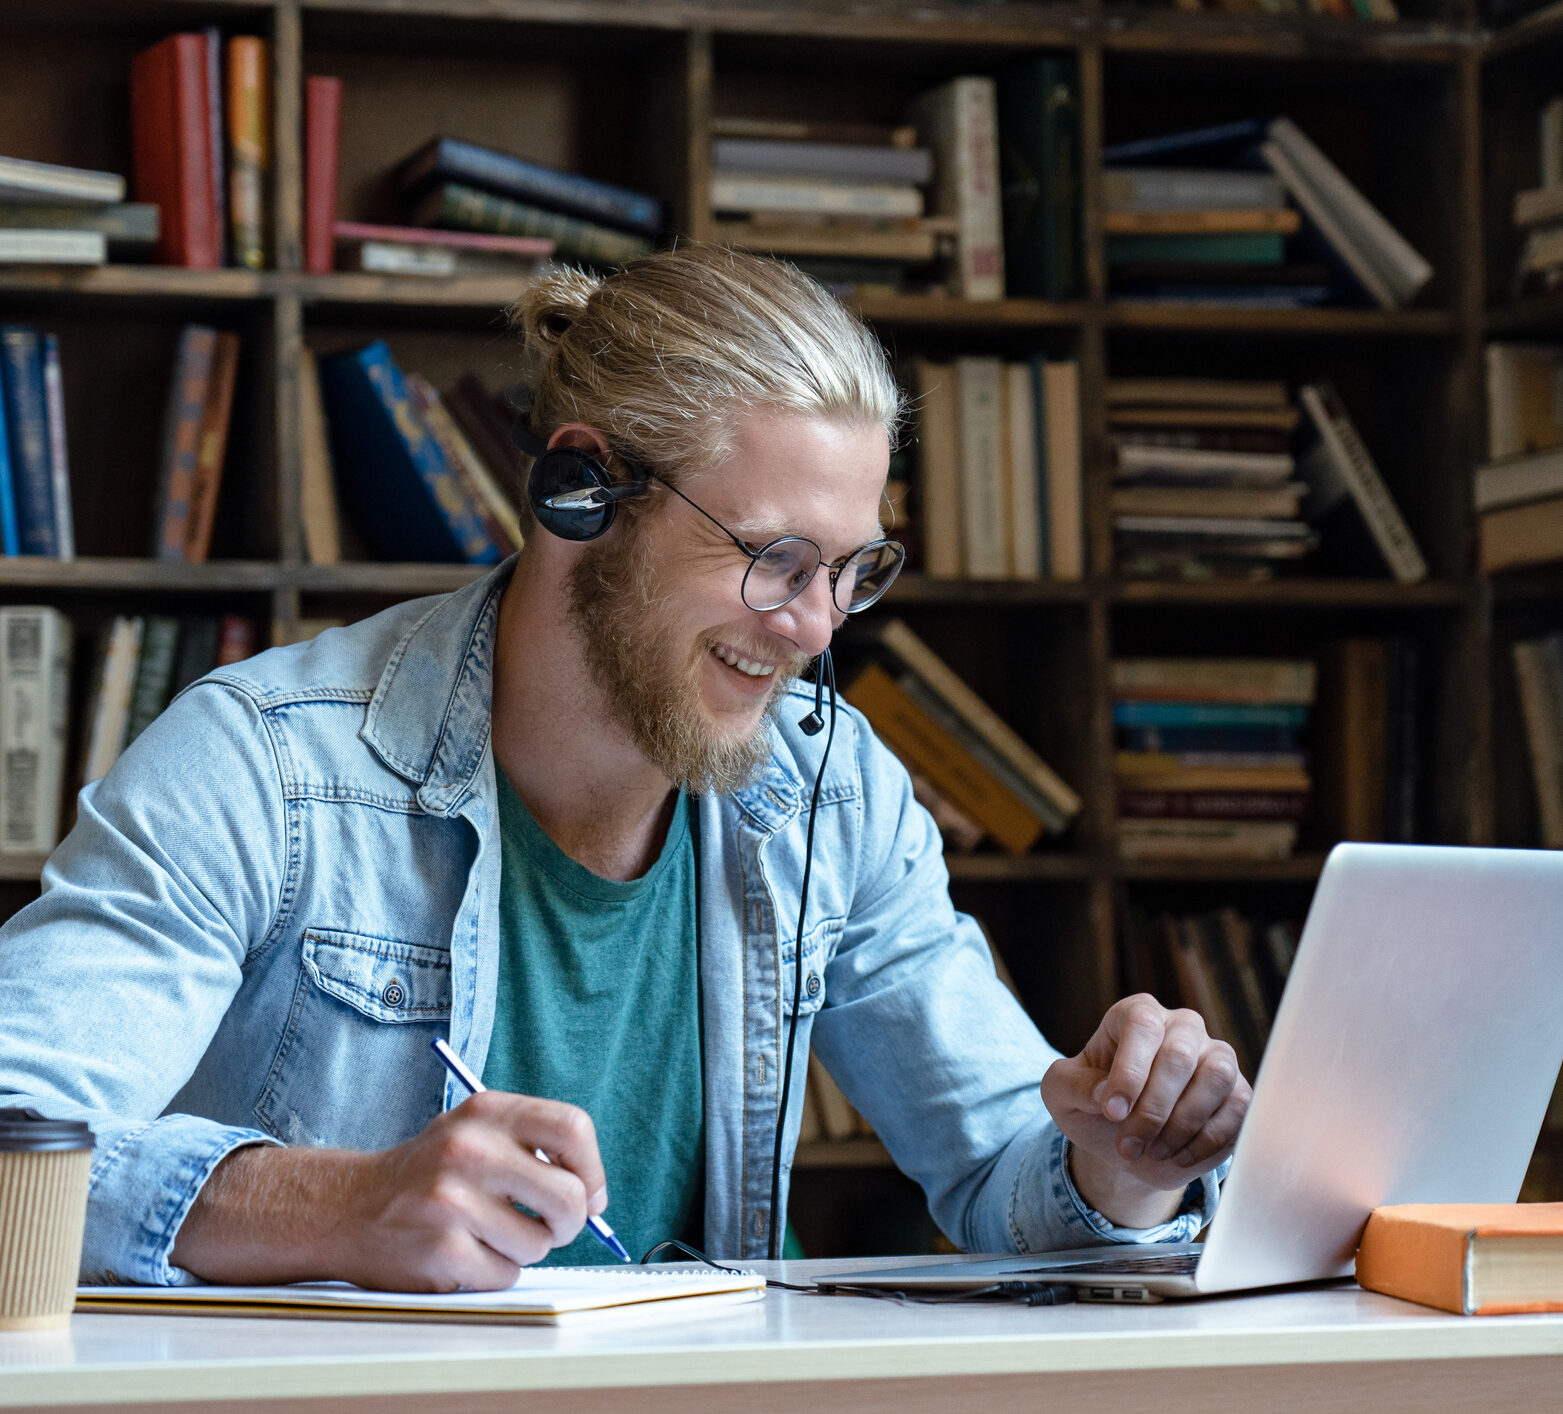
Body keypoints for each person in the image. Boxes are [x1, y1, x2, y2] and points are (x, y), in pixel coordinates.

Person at [0, 246, 1248, 1290]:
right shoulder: (261, 763)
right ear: (582, 489)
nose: (817, 630)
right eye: (775, 558)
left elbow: (998, 1171)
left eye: (854, 571)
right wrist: (345, 1205)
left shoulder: (831, 788)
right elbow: (14, 1148)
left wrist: (1124, 1165)